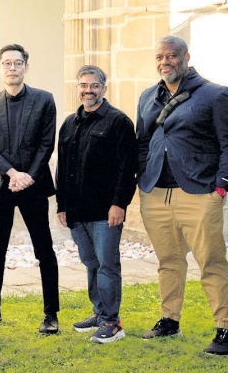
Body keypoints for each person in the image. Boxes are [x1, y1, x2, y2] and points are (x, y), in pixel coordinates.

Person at [136, 35, 228, 355]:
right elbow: (142, 142)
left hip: (199, 193)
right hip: (155, 193)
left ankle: (227, 331)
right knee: (168, 261)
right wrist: (141, 177)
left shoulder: (215, 94)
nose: (165, 62)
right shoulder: (148, 96)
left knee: (211, 261)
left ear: (186, 57)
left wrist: (221, 187)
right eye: (159, 57)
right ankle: (169, 320)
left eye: (171, 56)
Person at [0, 44, 61, 334]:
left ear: (26, 66)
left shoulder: (44, 99)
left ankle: (51, 314)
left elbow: (47, 144)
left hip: (33, 186)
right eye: (6, 63)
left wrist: (27, 177)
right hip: (2, 185)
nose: (12, 68)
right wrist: (12, 173)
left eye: (17, 63)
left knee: (44, 249)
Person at [55, 65, 136, 344]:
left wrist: (119, 204)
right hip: (77, 211)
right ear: (77, 88)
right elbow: (62, 167)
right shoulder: (70, 123)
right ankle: (100, 313)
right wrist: (62, 205)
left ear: (104, 88)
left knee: (107, 265)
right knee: (90, 263)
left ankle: (113, 322)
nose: (88, 90)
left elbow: (127, 168)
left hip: (105, 211)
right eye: (83, 85)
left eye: (94, 85)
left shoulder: (118, 122)